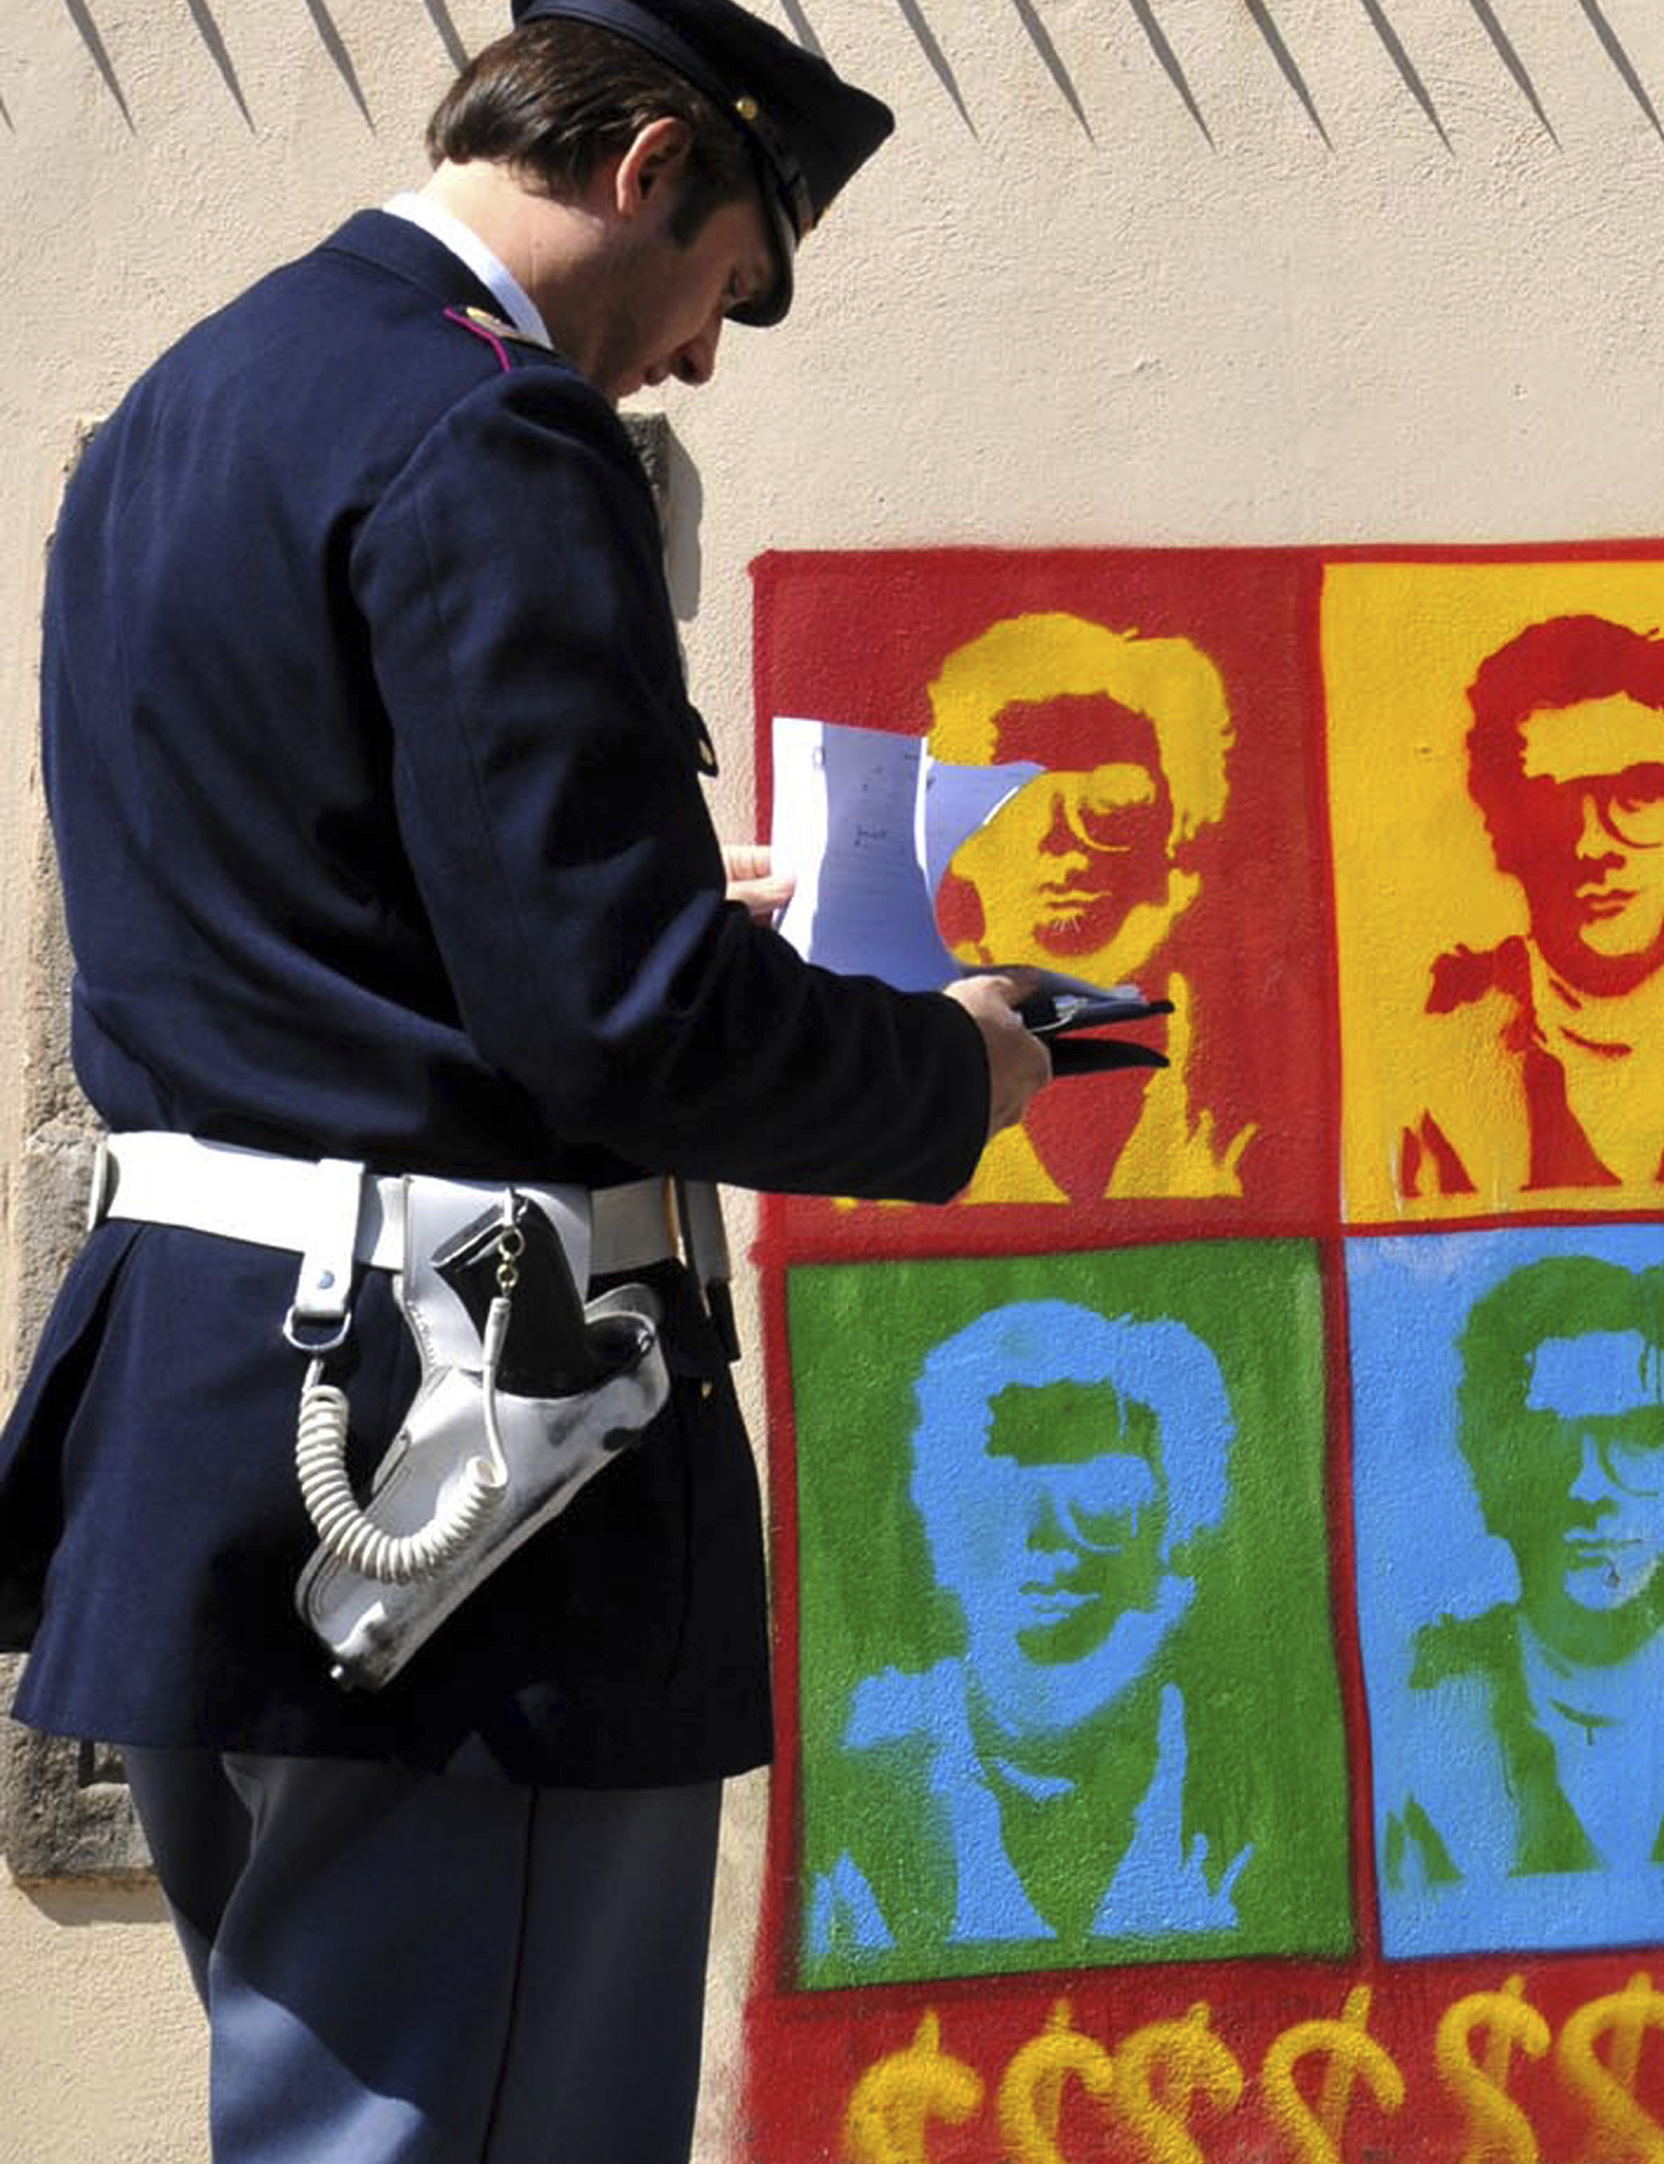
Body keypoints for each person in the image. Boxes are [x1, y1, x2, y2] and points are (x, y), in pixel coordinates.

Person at [0, 4, 1053, 2158]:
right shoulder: (495, 433)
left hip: (227, 1410)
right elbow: (625, 1030)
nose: (699, 356)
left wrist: (661, 899)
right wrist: (958, 1064)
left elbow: (333, 917)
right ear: (655, 164)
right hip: (469, 1459)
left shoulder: (198, 404)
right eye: (728, 281)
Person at [805, 1298, 1246, 1974]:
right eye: (997, 1493)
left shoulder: (1237, 1793)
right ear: (941, 1524)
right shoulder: (856, 1801)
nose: (1043, 1538)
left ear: (1177, 1516)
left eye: (1099, 1494)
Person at [1380, 1255, 1664, 1886]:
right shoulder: (1413, 1739)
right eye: (1549, 1436)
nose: (1590, 1485)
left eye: (1646, 1437)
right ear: (1491, 1479)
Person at [1397, 613, 1664, 1200]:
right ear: (1505, 836)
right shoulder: (1432, 1092)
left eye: (1639, 794)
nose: (1591, 844)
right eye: (1551, 801)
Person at [927, 611, 1252, 1203]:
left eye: (1113, 800)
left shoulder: (1235, 1069)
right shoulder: (915, 1032)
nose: (1063, 841)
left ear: (1173, 829)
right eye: (1019, 801)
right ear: (965, 842)